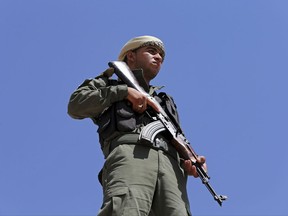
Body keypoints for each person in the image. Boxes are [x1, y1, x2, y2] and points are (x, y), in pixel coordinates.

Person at [67, 35, 206, 216]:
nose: (158, 58)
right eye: (151, 51)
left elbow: (177, 137)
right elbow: (76, 105)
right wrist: (123, 92)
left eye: (161, 56)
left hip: (171, 169)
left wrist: (191, 160)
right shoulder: (111, 84)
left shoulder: (165, 101)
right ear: (131, 56)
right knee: (127, 210)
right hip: (133, 155)